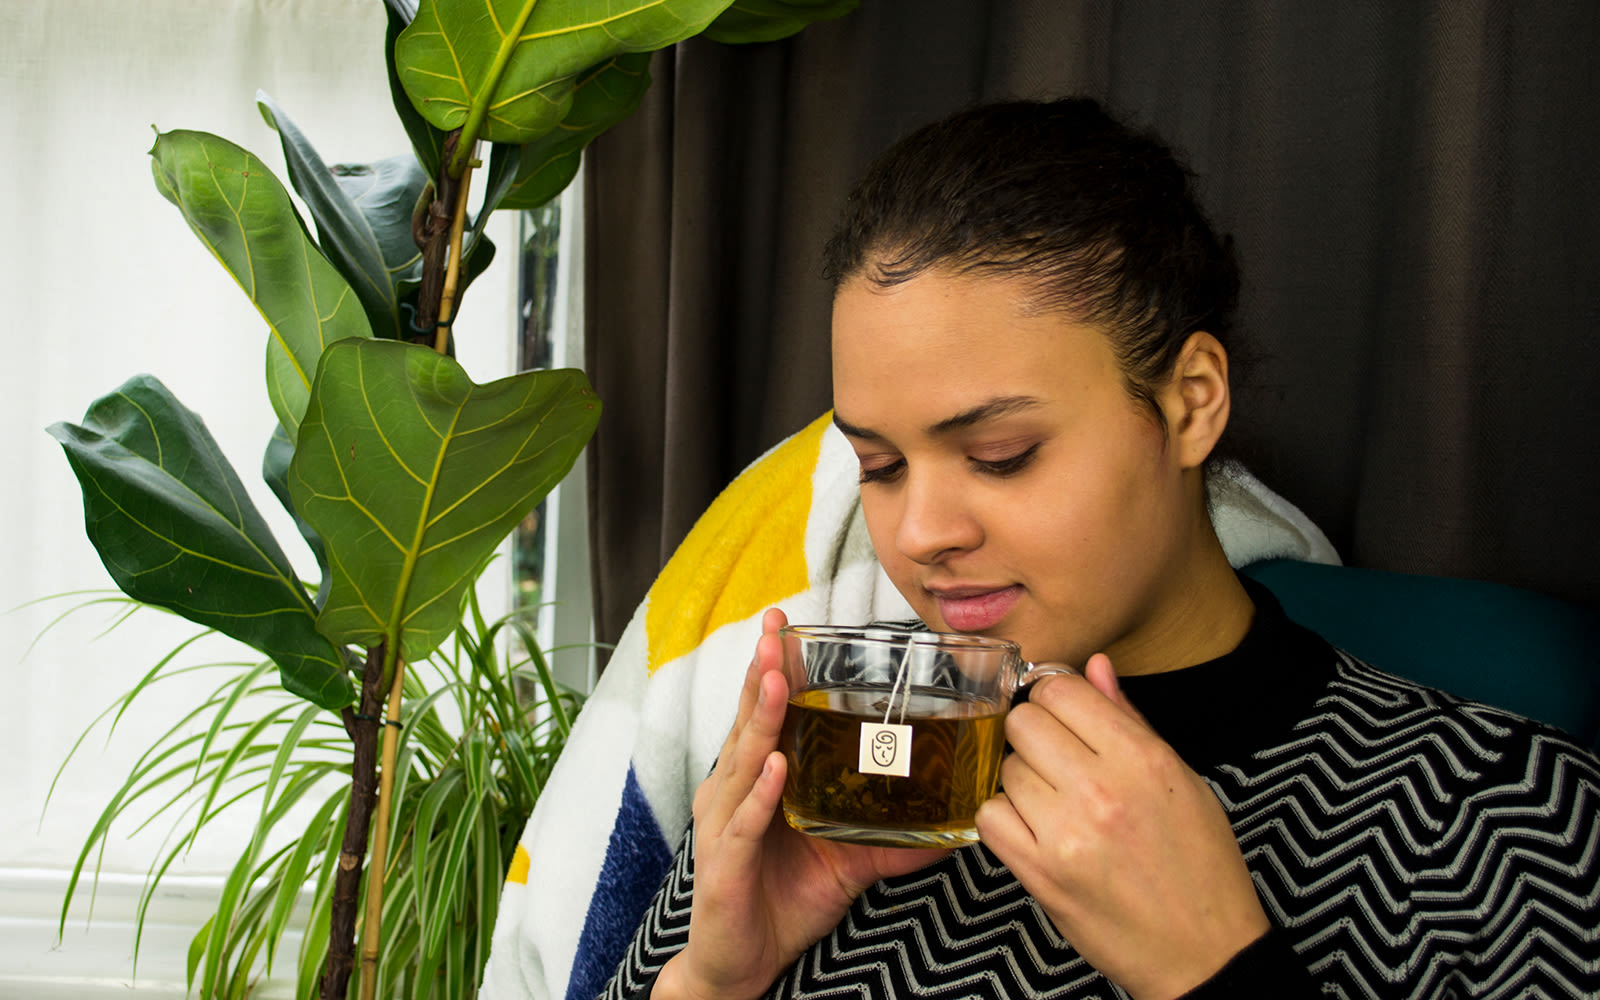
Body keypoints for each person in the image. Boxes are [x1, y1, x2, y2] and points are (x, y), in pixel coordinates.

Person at [596, 98, 1600, 998]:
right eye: (880, 466)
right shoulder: (837, 773)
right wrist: (712, 980)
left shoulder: (1508, 822)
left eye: (1000, 453)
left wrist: (1212, 970)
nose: (917, 534)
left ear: (1189, 402)